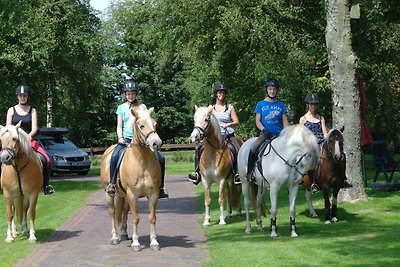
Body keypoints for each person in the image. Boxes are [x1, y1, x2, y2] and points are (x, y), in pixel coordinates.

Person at [106, 80, 169, 198]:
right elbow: (119, 126)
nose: (131, 96)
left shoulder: (142, 107)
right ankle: (112, 184)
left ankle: (160, 187)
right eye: (128, 94)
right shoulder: (121, 108)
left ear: (136, 94)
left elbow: (147, 124)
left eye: (133, 93)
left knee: (161, 157)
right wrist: (120, 137)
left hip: (143, 141)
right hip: (126, 140)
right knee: (114, 156)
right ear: (125, 95)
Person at [188, 83, 241, 185]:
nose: (221, 94)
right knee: (198, 149)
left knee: (236, 148)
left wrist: (228, 124)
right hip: (214, 137)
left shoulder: (230, 107)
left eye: (223, 92)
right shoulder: (210, 109)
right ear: (216, 94)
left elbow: (236, 121)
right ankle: (197, 173)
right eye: (219, 92)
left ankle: (237, 173)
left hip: (228, 134)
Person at [6, 85, 54, 195]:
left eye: (25, 96)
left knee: (47, 160)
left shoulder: (32, 110)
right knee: (1, 159)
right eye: (21, 95)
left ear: (27, 97)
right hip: (13, 142)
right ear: (17, 97)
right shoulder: (11, 110)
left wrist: (29, 136)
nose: (23, 97)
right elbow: (8, 128)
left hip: (29, 140)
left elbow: (35, 128)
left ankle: (46, 186)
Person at [299, 93, 352, 191]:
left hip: (321, 142)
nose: (313, 106)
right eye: (311, 104)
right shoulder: (303, 119)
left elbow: (324, 133)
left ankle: (343, 179)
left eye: (315, 104)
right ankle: (313, 182)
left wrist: (327, 142)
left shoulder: (321, 118)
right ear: (308, 105)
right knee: (312, 159)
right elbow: (301, 135)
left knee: (342, 156)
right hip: (310, 144)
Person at [246, 78, 289, 182]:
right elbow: (258, 121)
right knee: (254, 147)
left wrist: (287, 132)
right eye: (270, 89)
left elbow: (285, 122)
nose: (272, 91)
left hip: (279, 135)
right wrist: (264, 130)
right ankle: (250, 172)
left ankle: (293, 175)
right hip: (265, 135)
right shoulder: (260, 104)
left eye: (274, 89)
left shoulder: (281, 105)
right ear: (267, 90)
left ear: (277, 90)